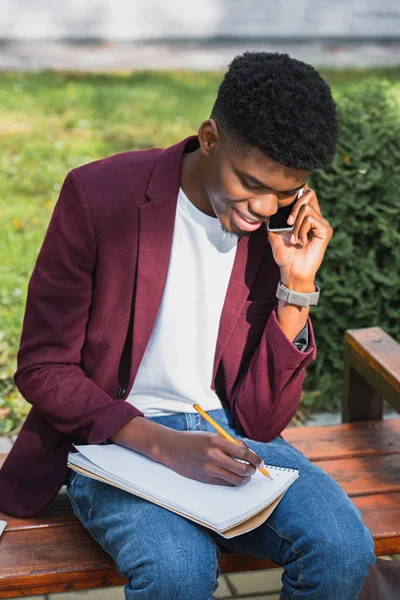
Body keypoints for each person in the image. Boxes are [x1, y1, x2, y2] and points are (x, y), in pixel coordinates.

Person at [0, 52, 375, 599]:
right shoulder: (99, 197)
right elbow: (42, 366)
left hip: (229, 436)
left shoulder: (276, 230)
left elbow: (263, 421)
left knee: (343, 548)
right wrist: (160, 442)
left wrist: (296, 287)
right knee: (176, 573)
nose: (263, 207)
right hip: (113, 439)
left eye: (286, 192)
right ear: (208, 138)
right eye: (251, 182)